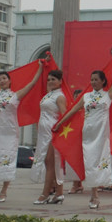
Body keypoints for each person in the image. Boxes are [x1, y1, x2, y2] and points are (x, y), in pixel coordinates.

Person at [54, 55, 112, 209]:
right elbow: (73, 110)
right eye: (91, 80)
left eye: (96, 79)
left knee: (98, 163)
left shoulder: (107, 95)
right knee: (90, 163)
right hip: (88, 134)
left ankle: (95, 195)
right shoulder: (86, 96)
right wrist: (60, 123)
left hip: (101, 135)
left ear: (103, 81)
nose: (93, 82)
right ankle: (94, 194)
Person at [0, 61, 44, 202]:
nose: (2, 81)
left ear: (9, 80)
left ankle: (4, 190)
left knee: (8, 158)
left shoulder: (15, 95)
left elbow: (32, 84)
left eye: (4, 78)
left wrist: (40, 68)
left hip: (9, 131)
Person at [31, 70, 67, 205]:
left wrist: (58, 128)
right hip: (43, 133)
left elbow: (64, 114)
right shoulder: (48, 95)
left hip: (52, 132)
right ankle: (59, 193)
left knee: (50, 162)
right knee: (50, 163)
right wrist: (42, 67)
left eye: (53, 79)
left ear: (60, 81)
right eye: (49, 79)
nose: (50, 82)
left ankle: (45, 194)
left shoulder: (60, 96)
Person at [67, 89, 84, 194]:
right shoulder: (70, 110)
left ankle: (80, 184)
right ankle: (75, 184)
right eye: (76, 96)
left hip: (85, 139)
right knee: (73, 162)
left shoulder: (87, 110)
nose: (77, 99)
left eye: (80, 97)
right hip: (73, 140)